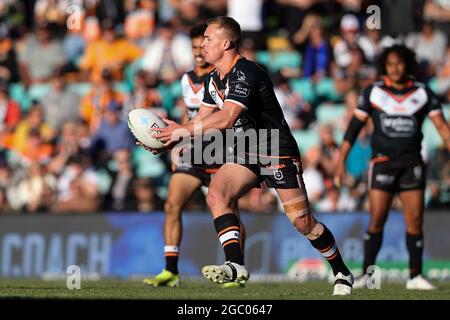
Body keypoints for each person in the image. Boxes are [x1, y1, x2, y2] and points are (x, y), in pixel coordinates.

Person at [152, 17, 353, 295]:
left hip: (274, 148)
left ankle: (341, 271)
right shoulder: (213, 78)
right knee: (216, 194)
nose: (202, 44)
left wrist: (182, 131)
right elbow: (204, 119)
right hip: (246, 147)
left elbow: (227, 117)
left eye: (208, 39)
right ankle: (235, 265)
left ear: (226, 43)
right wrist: (170, 141)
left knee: (302, 223)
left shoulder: (247, 71)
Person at [335, 44, 450, 290]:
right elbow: (354, 128)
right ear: (384, 67)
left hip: (412, 164)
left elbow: (443, 128)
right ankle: (367, 273)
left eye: (399, 63)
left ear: (407, 64)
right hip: (382, 164)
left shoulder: (422, 92)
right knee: (377, 219)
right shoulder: (373, 92)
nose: (395, 68)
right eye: (390, 64)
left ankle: (415, 276)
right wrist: (340, 160)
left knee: (415, 220)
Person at [141, 23, 243, 288]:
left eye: (203, 45)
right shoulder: (187, 80)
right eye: (195, 47)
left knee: (228, 210)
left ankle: (236, 267)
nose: (199, 51)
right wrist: (177, 144)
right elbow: (190, 115)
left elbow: (225, 116)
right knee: (172, 204)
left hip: (221, 151)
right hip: (195, 151)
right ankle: (171, 270)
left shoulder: (225, 76)